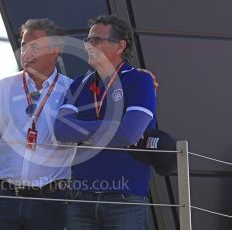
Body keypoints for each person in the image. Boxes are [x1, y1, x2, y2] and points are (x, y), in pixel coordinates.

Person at [54, 15, 157, 229]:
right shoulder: (78, 85)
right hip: (82, 196)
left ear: (120, 46)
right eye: (88, 40)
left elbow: (130, 133)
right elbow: (61, 130)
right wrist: (112, 128)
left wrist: (83, 132)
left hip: (125, 196)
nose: (88, 45)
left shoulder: (139, 80)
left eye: (96, 40)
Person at [0, 18, 75, 230]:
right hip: (5, 201)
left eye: (35, 47)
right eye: (23, 46)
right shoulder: (1, 89)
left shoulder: (73, 91)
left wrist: (143, 77)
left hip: (51, 203)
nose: (26, 54)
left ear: (55, 49)